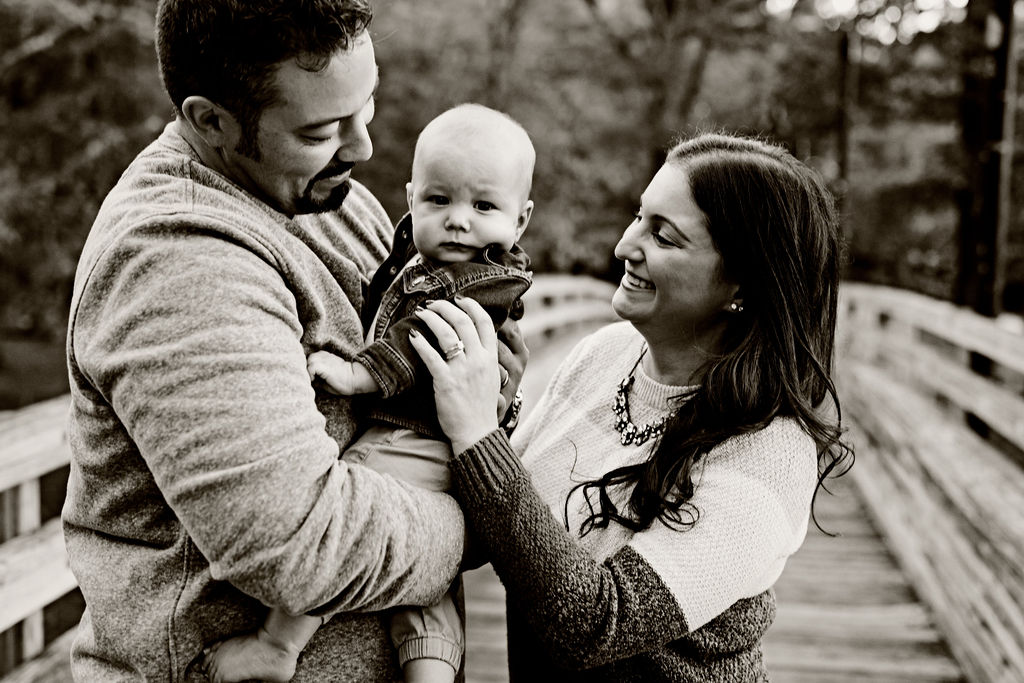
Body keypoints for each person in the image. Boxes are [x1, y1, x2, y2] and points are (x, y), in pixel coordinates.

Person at [62, 2, 523, 681]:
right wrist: (490, 514)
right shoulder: (178, 260)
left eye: (366, 106)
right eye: (322, 130)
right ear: (210, 121)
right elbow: (303, 547)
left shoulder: (328, 194)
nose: (363, 146)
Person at [407, 133, 853, 681]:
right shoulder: (606, 352)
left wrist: (479, 436)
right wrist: (492, 414)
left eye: (663, 237)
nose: (623, 246)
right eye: (638, 217)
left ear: (742, 283)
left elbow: (598, 623)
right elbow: (492, 531)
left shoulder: (769, 456)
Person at [203, 103, 535, 683]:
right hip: (442, 444)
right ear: (411, 199)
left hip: (418, 433)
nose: (458, 221)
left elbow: (428, 333)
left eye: (484, 206)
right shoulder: (411, 250)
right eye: (439, 201)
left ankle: (277, 645)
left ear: (521, 219)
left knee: (357, 508)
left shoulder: (485, 280)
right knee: (423, 591)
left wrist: (362, 374)